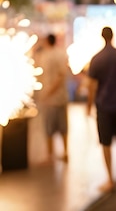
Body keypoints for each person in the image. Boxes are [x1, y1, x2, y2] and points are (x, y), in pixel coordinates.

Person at [86, 27, 116, 194]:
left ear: (102, 37)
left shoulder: (97, 59)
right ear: (113, 36)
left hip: (104, 105)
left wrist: (89, 106)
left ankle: (110, 179)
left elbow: (92, 86)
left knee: (105, 142)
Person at [37, 33, 69, 163]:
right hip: (60, 97)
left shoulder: (47, 56)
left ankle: (50, 155)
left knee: (50, 128)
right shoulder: (60, 54)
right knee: (62, 127)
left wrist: (48, 92)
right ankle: (64, 152)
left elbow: (59, 76)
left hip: (52, 98)